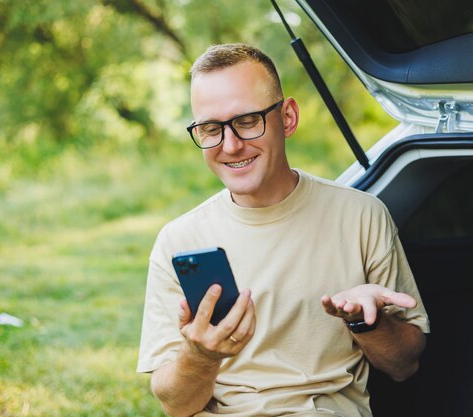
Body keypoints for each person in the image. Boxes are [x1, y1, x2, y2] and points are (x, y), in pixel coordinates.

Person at [137, 43, 429, 417]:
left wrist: (364, 321)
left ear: (287, 117)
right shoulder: (177, 241)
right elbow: (175, 406)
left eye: (247, 121)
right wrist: (200, 355)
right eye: (211, 128)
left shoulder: (361, 215)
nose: (230, 145)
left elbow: (404, 365)